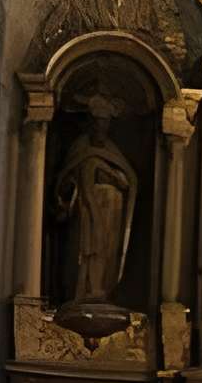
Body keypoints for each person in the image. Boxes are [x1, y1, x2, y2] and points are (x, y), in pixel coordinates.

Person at [54, 99, 139, 306]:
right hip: (84, 210)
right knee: (85, 249)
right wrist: (72, 187)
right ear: (91, 123)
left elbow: (128, 181)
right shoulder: (80, 148)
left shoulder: (112, 150)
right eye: (98, 122)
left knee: (104, 250)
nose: (101, 127)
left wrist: (114, 181)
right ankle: (80, 291)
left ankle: (102, 289)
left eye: (105, 124)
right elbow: (66, 180)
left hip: (111, 213)